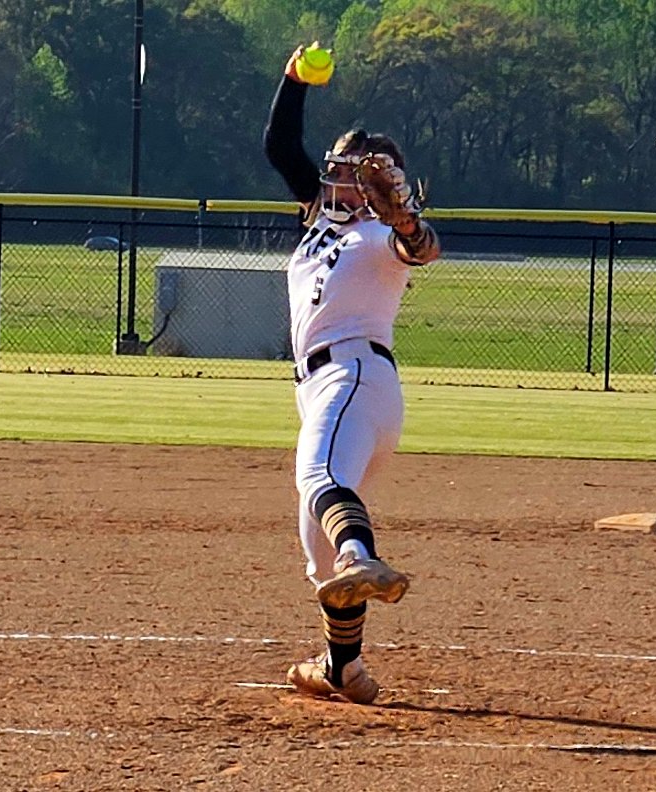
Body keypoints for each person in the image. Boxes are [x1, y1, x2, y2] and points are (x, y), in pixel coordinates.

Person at [263, 45, 441, 705]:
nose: (338, 181)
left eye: (354, 175)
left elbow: (423, 249)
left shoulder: (379, 237)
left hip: (354, 378)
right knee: (317, 550)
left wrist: (407, 219)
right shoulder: (321, 219)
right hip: (330, 393)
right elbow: (280, 145)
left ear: (381, 186)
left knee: (320, 483)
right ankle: (344, 667)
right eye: (338, 169)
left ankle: (363, 556)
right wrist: (293, 79)